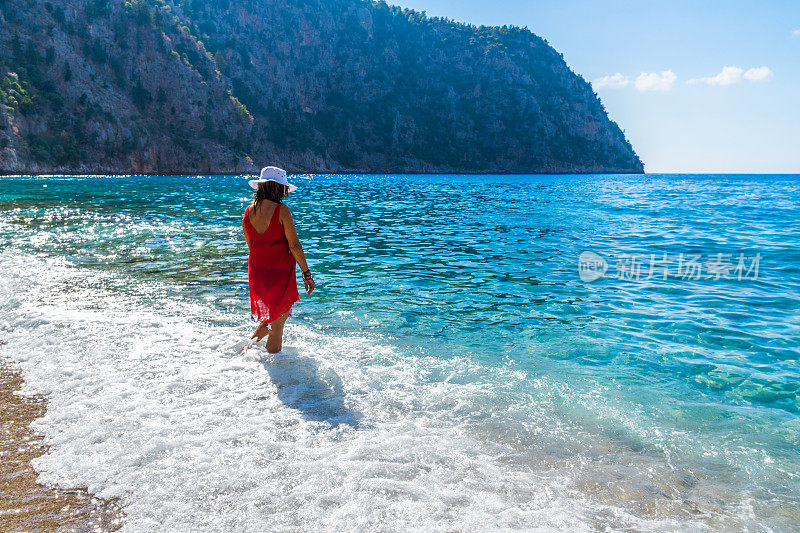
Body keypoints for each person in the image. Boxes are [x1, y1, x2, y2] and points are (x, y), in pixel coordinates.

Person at [242, 166, 314, 353]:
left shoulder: (248, 212)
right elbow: (295, 245)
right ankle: (277, 378)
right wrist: (307, 274)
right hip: (279, 276)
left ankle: (245, 352)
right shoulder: (282, 210)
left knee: (272, 318)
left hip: (258, 273)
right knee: (277, 326)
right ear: (278, 188)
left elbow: (252, 246)